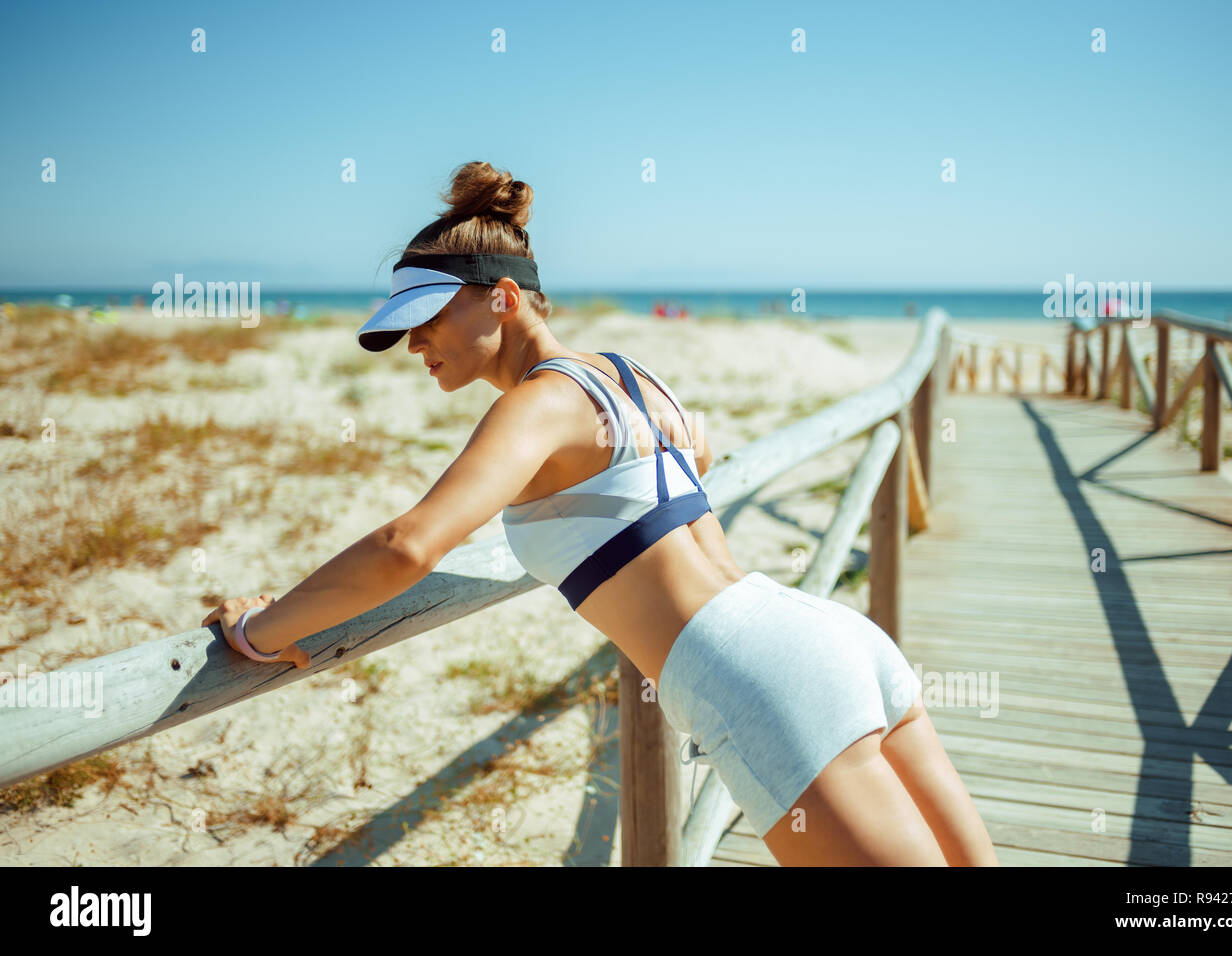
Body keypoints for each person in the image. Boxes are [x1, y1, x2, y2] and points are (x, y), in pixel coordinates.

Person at [201, 160, 996, 867]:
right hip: (829, 637)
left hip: (758, 681)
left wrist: (261, 631)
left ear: (504, 299)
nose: (416, 344)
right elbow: (673, 475)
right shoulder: (631, 374)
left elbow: (407, 546)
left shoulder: (536, 407)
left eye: (431, 317)